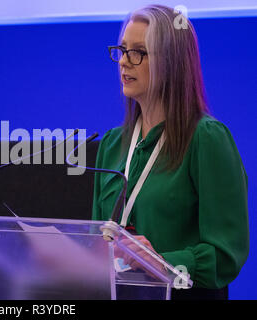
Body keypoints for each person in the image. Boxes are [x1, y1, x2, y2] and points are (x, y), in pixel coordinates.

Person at [92, 5, 249, 300]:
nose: (124, 62)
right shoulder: (112, 144)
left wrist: (162, 262)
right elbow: (99, 239)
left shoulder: (207, 138)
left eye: (138, 52)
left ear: (173, 62)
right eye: (122, 49)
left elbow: (226, 255)